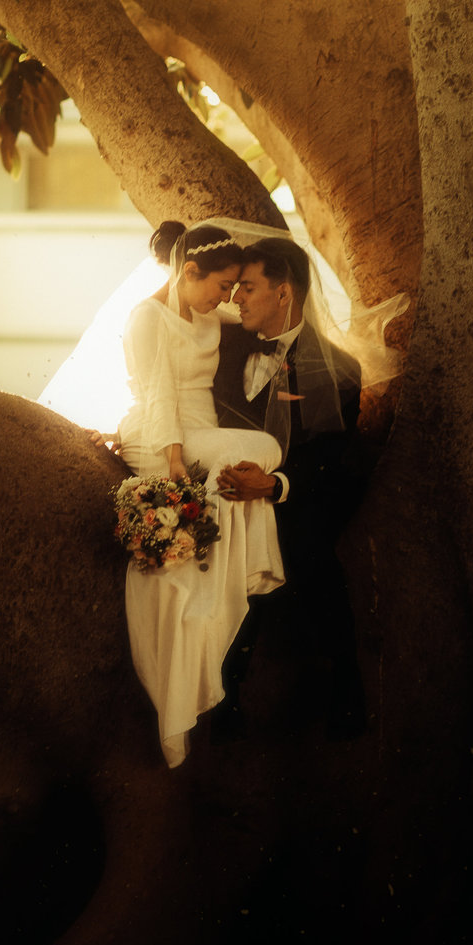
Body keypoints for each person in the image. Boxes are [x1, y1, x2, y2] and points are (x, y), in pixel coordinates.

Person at [116, 220, 288, 767]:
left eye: (233, 288)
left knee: (258, 454)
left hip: (202, 434)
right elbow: (159, 396)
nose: (228, 297)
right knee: (264, 450)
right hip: (163, 437)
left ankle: (234, 571)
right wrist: (173, 466)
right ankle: (236, 569)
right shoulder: (148, 318)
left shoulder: (209, 310)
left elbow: (268, 317)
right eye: (221, 286)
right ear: (188, 273)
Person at [210, 236, 368, 739]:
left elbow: (331, 460)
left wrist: (274, 485)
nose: (236, 299)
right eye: (234, 288)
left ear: (284, 294)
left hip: (287, 504)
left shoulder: (339, 370)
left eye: (248, 288)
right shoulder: (220, 343)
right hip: (216, 490)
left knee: (309, 554)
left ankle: (343, 693)